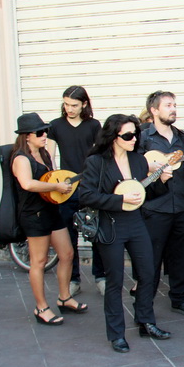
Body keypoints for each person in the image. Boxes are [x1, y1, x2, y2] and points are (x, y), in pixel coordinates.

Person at [79, 114, 173, 353]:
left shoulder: (138, 160)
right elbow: (86, 195)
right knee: (115, 281)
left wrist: (161, 181)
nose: (134, 139)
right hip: (110, 225)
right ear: (113, 137)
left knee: (148, 273)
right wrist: (119, 200)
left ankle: (146, 321)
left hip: (136, 222)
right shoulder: (96, 162)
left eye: (136, 135)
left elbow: (144, 194)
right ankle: (116, 334)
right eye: (128, 136)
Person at [11, 113, 84, 326]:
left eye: (46, 131)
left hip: (52, 209)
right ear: (26, 136)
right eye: (41, 132)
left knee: (67, 253)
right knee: (39, 262)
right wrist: (57, 187)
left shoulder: (43, 153)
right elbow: (28, 184)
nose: (45, 135)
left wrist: (61, 187)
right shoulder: (20, 158)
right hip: (34, 215)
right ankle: (41, 307)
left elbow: (51, 178)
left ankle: (64, 297)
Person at [139, 91, 184, 317]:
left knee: (180, 257)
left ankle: (180, 299)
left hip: (181, 206)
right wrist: (151, 168)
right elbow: (133, 168)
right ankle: (145, 305)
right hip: (155, 207)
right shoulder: (142, 138)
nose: (173, 108)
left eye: (174, 105)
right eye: (168, 105)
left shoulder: (182, 138)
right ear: (154, 110)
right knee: (152, 259)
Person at [46, 85, 105, 297]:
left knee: (96, 232)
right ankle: (73, 279)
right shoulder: (55, 126)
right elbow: (49, 157)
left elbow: (100, 154)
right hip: (65, 187)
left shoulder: (93, 125)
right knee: (68, 236)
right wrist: (53, 183)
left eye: (74, 105)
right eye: (66, 104)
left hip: (89, 185)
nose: (69, 109)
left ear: (84, 105)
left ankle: (101, 277)